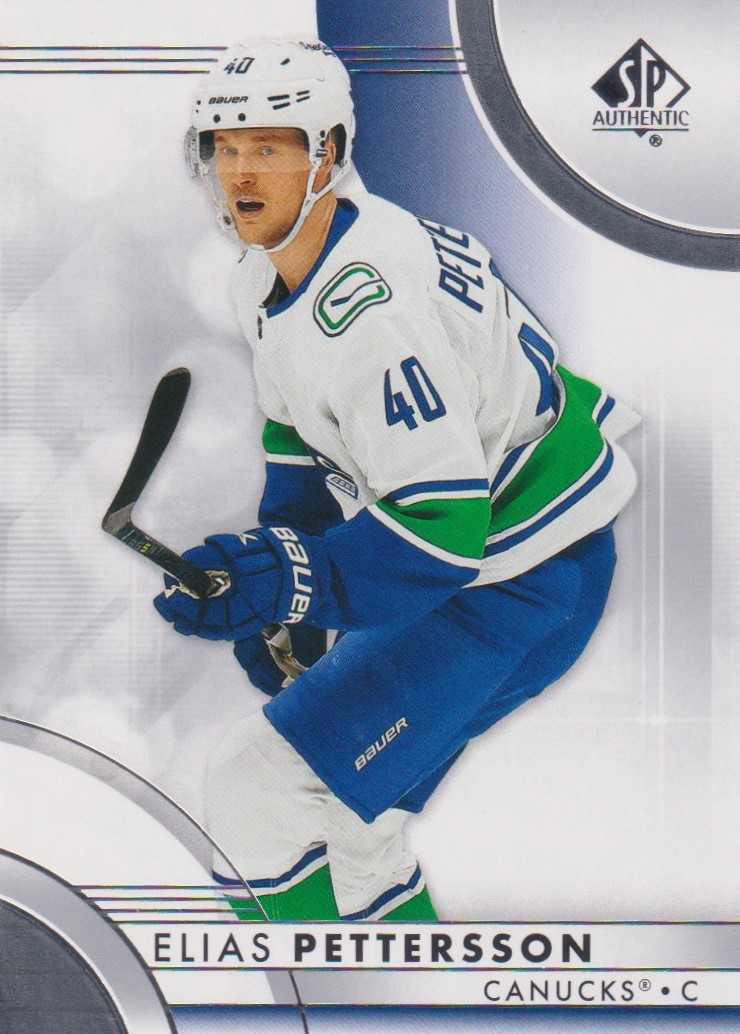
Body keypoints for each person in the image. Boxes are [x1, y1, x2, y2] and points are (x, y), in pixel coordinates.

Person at [155, 37, 639, 921]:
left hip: (512, 579)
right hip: (535, 564)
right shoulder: (274, 272)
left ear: (328, 152)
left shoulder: (370, 307)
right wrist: (287, 587)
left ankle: (310, 994)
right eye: (223, 148)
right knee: (354, 831)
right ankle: (399, 992)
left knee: (256, 788)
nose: (240, 172)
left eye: (268, 146)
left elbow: (442, 530)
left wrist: (293, 577)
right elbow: (301, 438)